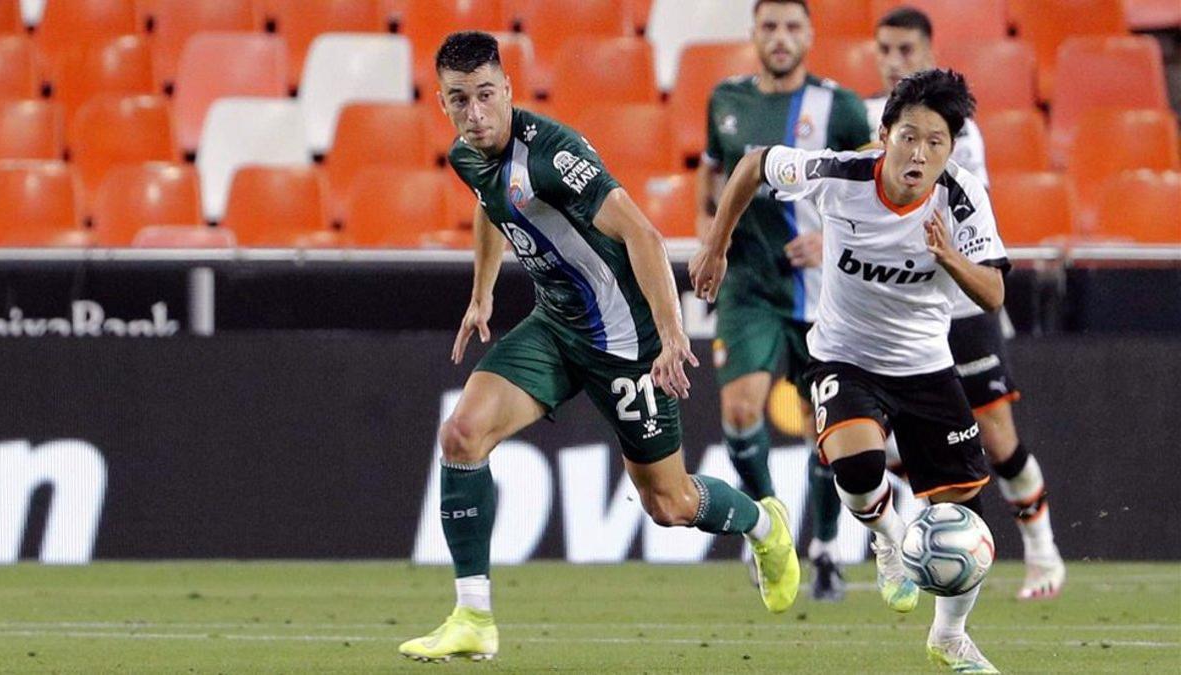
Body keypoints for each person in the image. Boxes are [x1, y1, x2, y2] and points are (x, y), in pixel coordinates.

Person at [398, 31, 800, 664]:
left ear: (506, 90)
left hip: (626, 340)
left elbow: (640, 231)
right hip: (555, 326)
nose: (473, 113)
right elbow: (488, 205)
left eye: (483, 96)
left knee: (668, 504)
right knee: (461, 436)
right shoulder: (466, 154)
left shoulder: (554, 156)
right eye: (458, 100)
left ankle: (763, 524)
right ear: (443, 103)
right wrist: (481, 294)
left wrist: (672, 334)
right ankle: (472, 615)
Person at [691, 68, 1006, 673]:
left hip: (925, 365)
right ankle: (890, 538)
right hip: (844, 355)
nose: (919, 153)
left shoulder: (961, 198)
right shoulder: (842, 175)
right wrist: (715, 244)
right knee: (857, 468)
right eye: (908, 136)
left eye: (935, 142)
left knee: (966, 520)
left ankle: (950, 635)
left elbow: (992, 291)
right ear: (884, 134)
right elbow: (755, 161)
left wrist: (949, 257)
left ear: (951, 149)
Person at [852, 6, 1063, 601]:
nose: (894, 61)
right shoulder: (865, 119)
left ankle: (1044, 552)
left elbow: (970, 213)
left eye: (906, 50)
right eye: (885, 49)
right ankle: (907, 543)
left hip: (960, 306)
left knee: (997, 437)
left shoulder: (961, 131)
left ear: (927, 52)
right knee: (884, 439)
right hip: (896, 305)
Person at [697, 0, 871, 601]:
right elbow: (714, 173)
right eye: (769, 26)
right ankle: (769, 529)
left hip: (823, 294)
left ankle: (825, 548)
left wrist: (830, 236)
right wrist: (709, 235)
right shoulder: (726, 100)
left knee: (828, 430)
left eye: (792, 26)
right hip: (748, 284)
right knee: (742, 410)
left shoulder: (840, 108)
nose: (779, 37)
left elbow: (876, 185)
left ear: (810, 36)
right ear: (753, 33)